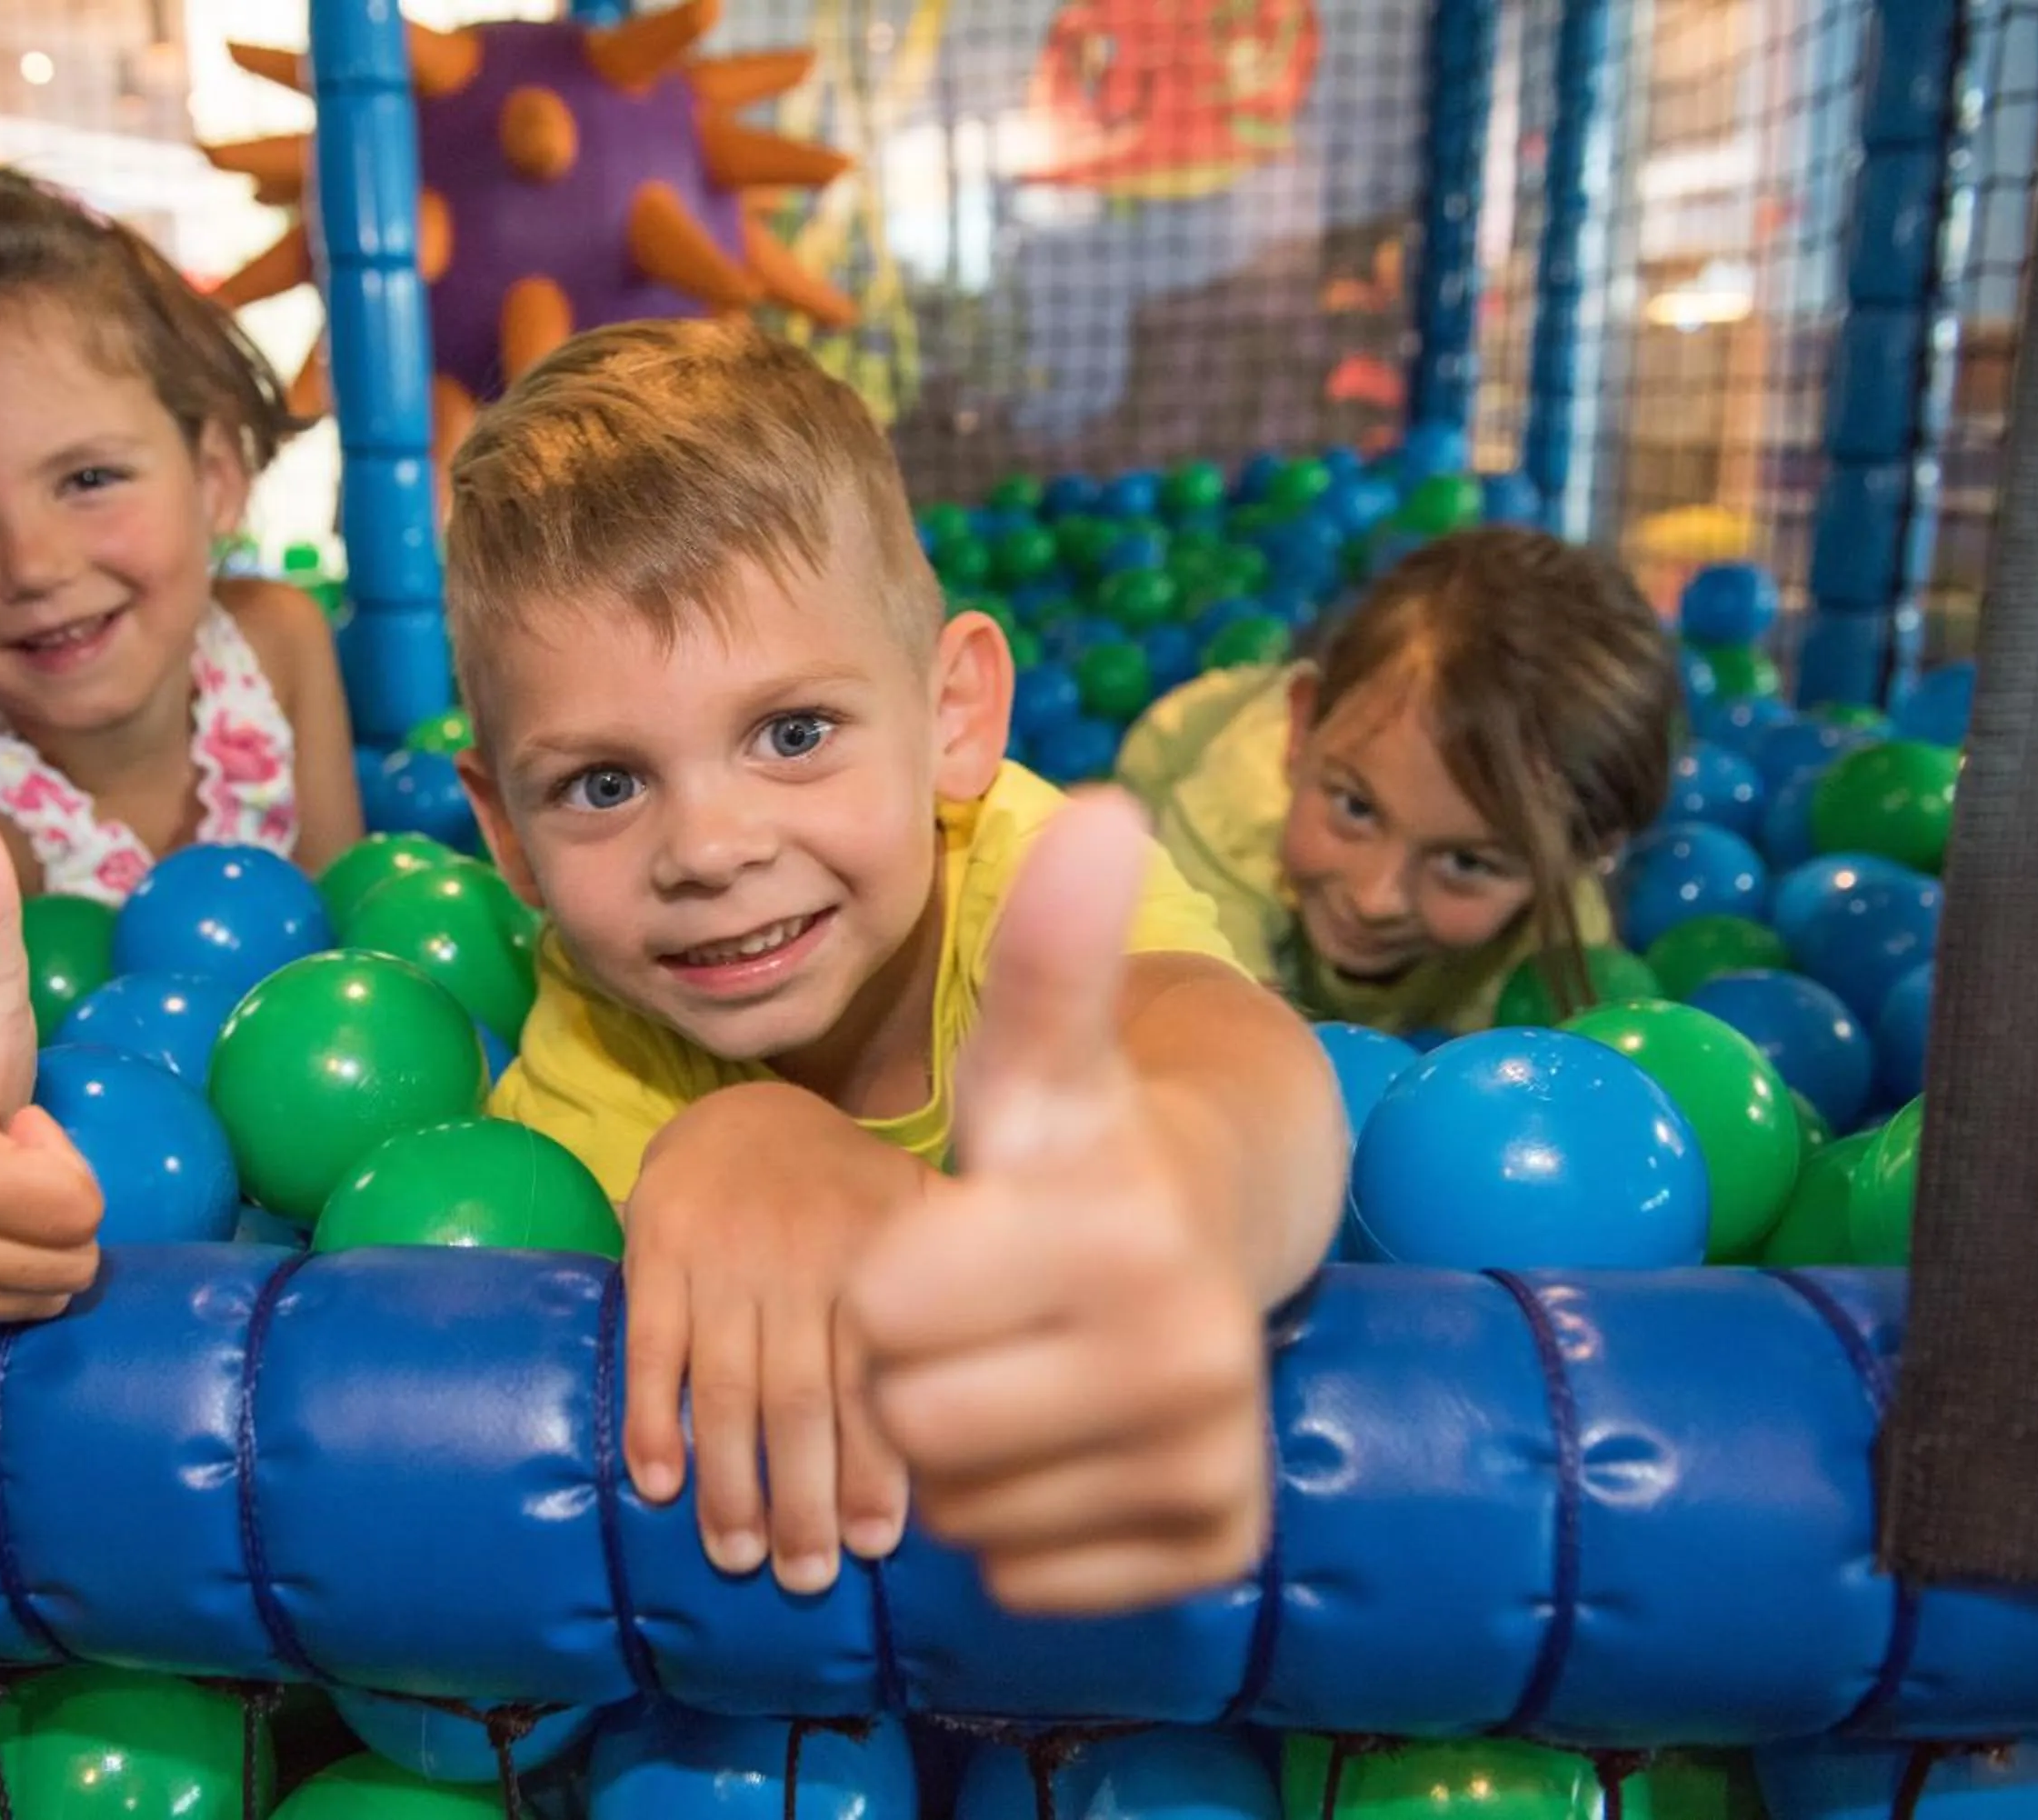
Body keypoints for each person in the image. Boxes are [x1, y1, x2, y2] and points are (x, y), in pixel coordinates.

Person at [445, 318, 1348, 1616]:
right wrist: (735, 1145)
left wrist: (1158, 1204)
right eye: (603, 782)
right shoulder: (594, 1033)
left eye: (793, 732)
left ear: (953, 716)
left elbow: (1245, 1064)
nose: (708, 847)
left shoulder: (1033, 887)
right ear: (506, 836)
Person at [0, 166, 361, 1325]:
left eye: (89, 478)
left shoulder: (280, 642)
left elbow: (345, 921)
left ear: (214, 478)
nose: (36, 563)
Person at [1116, 526, 1680, 1035]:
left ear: (1575, 860)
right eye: (1357, 808)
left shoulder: (1561, 939)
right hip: (1173, 757)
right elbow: (1216, 1026)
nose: (1374, 899)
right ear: (1302, 729)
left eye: (1466, 863)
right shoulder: (1235, 807)